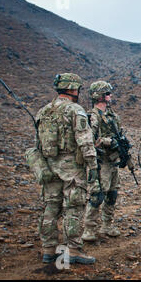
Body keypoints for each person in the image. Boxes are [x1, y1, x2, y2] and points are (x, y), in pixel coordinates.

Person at [36, 73, 98, 264]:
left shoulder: (43, 111)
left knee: (51, 206)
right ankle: (73, 249)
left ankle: (48, 248)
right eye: (78, 89)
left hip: (49, 165)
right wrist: (92, 165)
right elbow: (85, 139)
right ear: (72, 89)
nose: (78, 92)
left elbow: (39, 143)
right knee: (74, 207)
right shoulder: (75, 110)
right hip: (71, 167)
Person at [82, 81, 121, 242]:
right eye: (107, 94)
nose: (110, 96)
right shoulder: (92, 116)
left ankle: (107, 225)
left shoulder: (112, 116)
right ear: (98, 96)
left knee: (112, 194)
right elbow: (90, 140)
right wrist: (108, 141)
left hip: (113, 161)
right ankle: (89, 228)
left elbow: (120, 136)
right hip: (101, 161)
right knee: (97, 195)